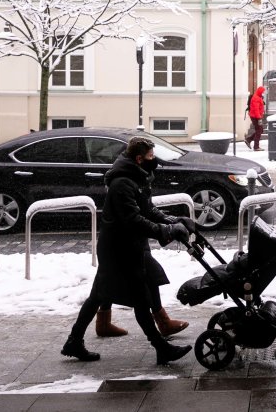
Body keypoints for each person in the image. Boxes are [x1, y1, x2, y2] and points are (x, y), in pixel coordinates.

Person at [61, 137, 194, 365]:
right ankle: (161, 347)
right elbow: (133, 220)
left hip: (130, 246)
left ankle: (74, 340)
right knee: (140, 298)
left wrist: (172, 220)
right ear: (139, 158)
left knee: (101, 295)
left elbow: (148, 209)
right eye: (151, 157)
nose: (155, 161)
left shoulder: (137, 177)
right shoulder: (122, 183)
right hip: (119, 250)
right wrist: (166, 230)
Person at [245, 85, 265, 151]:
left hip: (256, 116)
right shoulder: (256, 98)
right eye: (262, 92)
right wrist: (259, 118)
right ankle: (256, 147)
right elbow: (256, 109)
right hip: (255, 117)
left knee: (260, 130)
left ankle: (249, 140)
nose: (263, 93)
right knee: (259, 130)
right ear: (260, 91)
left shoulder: (258, 97)